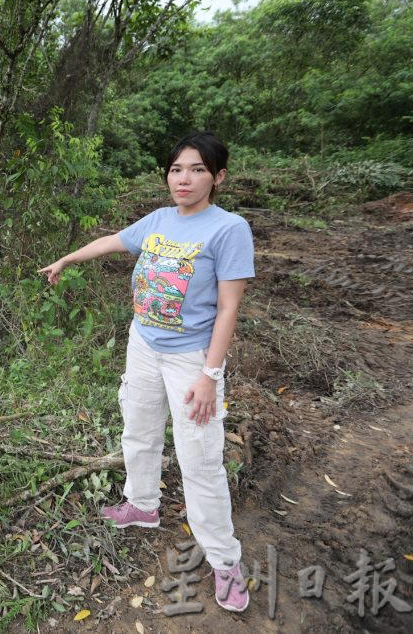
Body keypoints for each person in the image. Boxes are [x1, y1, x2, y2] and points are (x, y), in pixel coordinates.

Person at [39, 132, 254, 612]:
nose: (184, 178)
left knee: (199, 459)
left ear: (217, 177)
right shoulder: (159, 220)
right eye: (177, 169)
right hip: (143, 343)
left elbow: (228, 308)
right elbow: (114, 242)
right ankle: (142, 505)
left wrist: (209, 376)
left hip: (190, 359)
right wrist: (68, 258)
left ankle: (225, 561)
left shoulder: (229, 229)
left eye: (197, 169)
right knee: (137, 428)